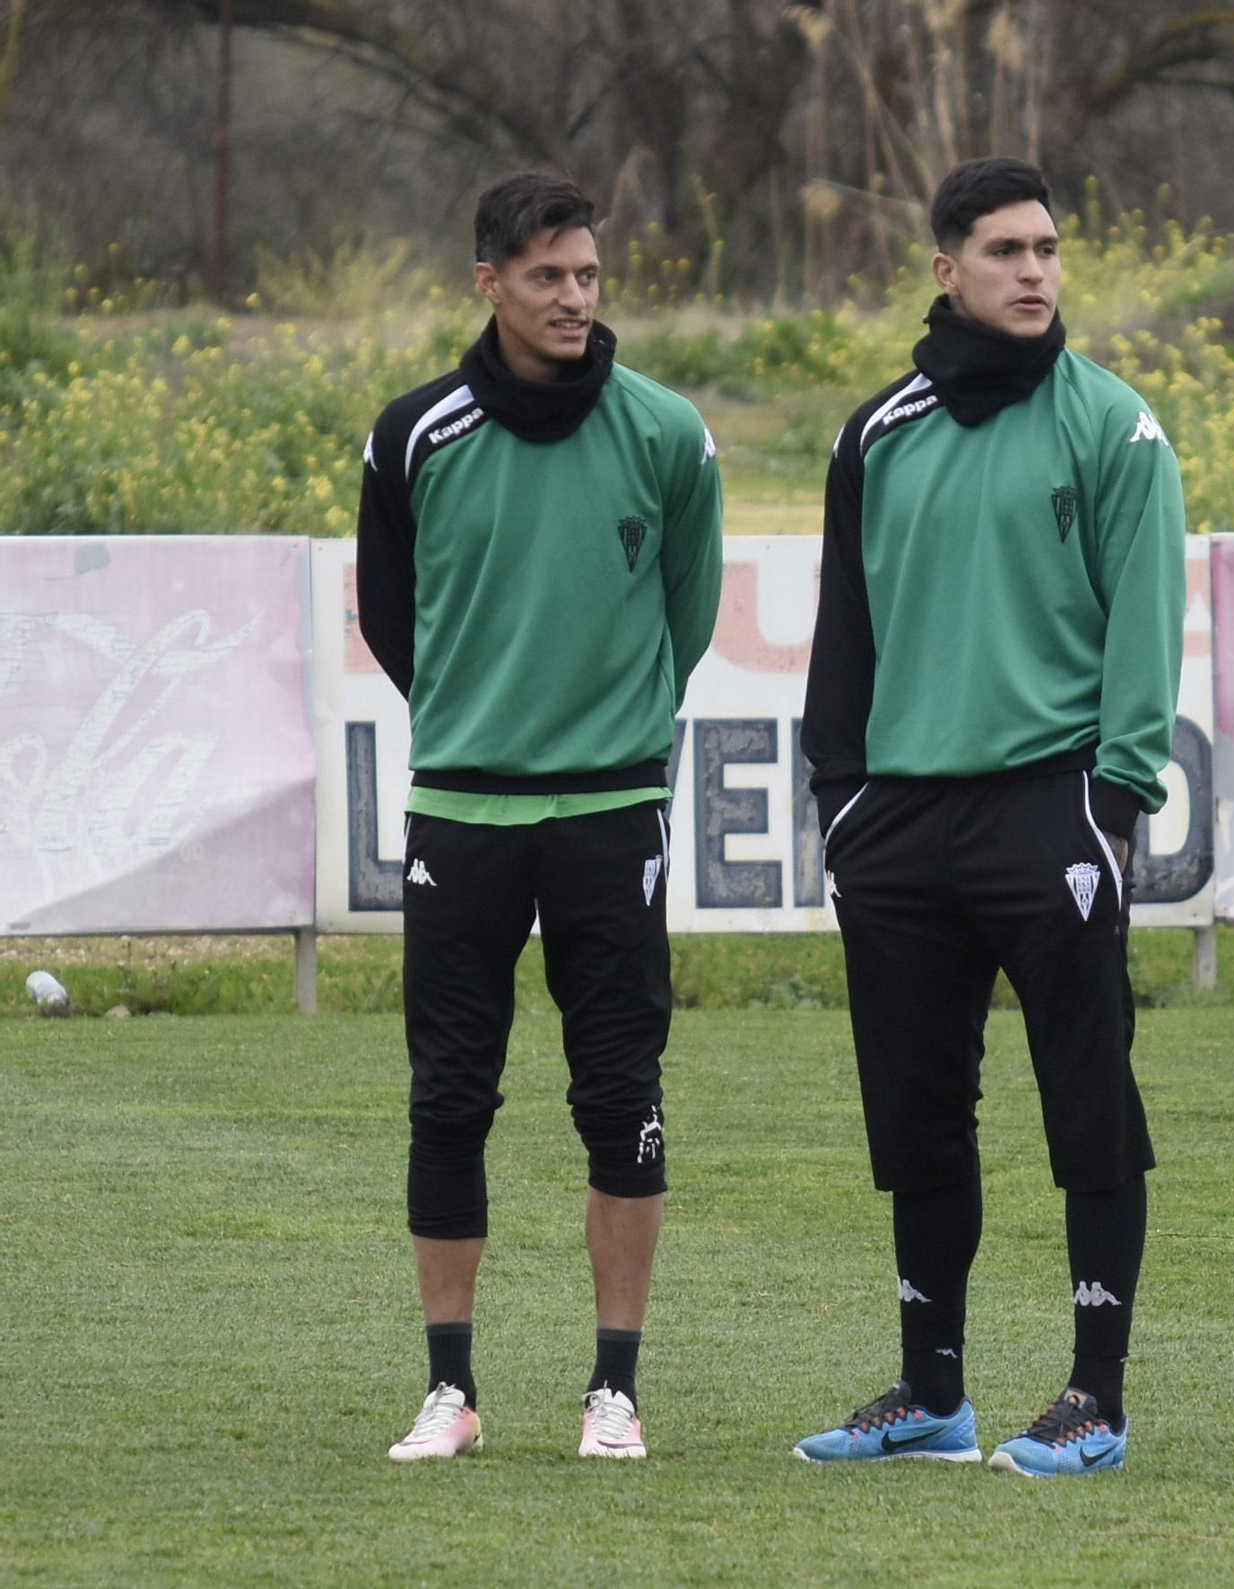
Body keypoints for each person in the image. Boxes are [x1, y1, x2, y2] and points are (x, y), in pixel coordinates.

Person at [795, 157, 1185, 1475]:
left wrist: (1113, 796)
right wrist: (838, 799)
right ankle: (930, 1389)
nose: (1036, 271)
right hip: (897, 819)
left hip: (1048, 806)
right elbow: (843, 632)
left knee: (1087, 1099)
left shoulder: (1114, 425)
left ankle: (1096, 1395)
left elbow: (1147, 623)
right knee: (915, 1111)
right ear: (945, 269)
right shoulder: (877, 432)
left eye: (1051, 248)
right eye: (1007, 250)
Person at [356, 170, 722, 1463]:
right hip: (461, 809)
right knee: (449, 1097)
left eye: (588, 275)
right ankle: (449, 1391)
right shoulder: (412, 435)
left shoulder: (669, 432)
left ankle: (611, 1389)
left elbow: (687, 612)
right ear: (488, 282)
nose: (574, 298)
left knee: (621, 1094)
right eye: (547, 277)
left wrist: (600, 731)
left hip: (611, 810)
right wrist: (485, 721)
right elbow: (393, 623)